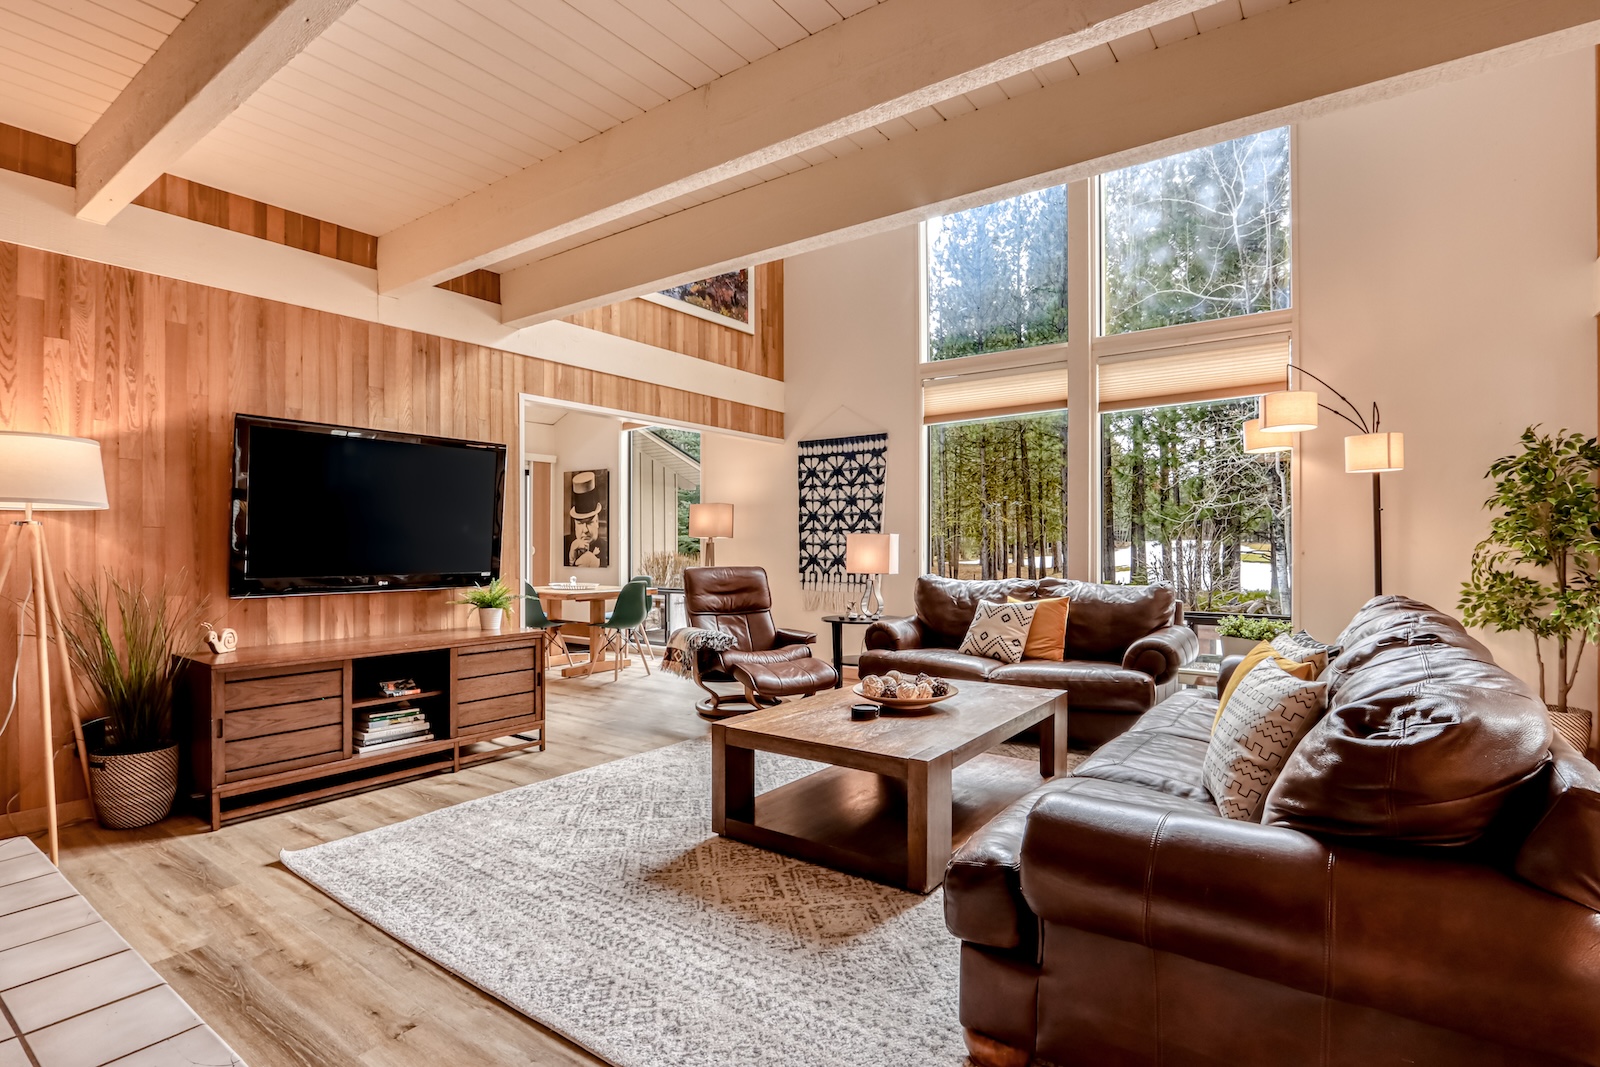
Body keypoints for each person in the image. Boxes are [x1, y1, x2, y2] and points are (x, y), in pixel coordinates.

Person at [563, 470, 609, 567]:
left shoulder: (607, 548)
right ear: (575, 525)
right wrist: (571, 561)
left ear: (597, 522)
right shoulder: (564, 545)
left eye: (589, 523)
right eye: (580, 523)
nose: (585, 530)